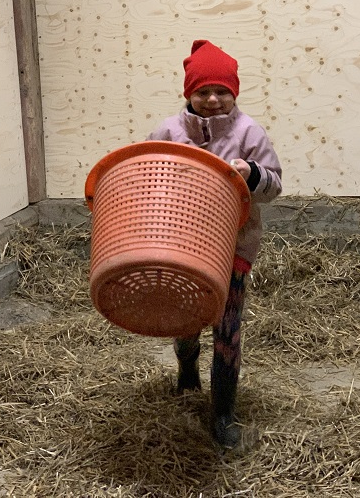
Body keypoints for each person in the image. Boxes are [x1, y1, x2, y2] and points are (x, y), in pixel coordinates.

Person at [147, 39, 283, 448]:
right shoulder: (169, 132)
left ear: (234, 92)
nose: (212, 99)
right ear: (188, 93)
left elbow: (274, 185)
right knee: (186, 317)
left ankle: (223, 412)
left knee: (227, 326)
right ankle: (187, 368)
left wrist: (252, 173)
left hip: (234, 246)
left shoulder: (248, 132)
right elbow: (149, 175)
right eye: (202, 91)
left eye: (221, 91)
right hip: (181, 245)